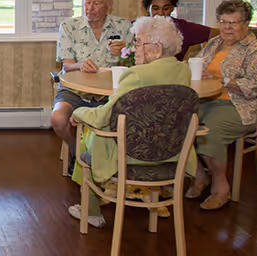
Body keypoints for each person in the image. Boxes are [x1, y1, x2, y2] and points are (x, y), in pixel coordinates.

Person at [67, 16, 198, 228]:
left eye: (137, 42)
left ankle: (91, 210)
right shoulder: (183, 70)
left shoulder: (136, 75)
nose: (133, 48)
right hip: (171, 154)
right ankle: (153, 201)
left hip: (131, 156)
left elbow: (103, 117)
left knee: (88, 133)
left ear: (156, 49)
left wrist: (78, 112)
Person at [187, 0, 257, 211]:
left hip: (244, 105)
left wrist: (222, 80)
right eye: (223, 22)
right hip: (208, 100)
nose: (227, 27)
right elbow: (197, 65)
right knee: (179, 122)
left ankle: (221, 188)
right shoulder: (214, 43)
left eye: (234, 22)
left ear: (246, 24)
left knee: (210, 130)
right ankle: (199, 175)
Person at [51, 0, 131, 169]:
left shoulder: (124, 27)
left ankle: (110, 163)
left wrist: (125, 54)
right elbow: (67, 66)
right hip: (76, 92)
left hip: (110, 95)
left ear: (109, 5)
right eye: (87, 2)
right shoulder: (69, 27)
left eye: (96, 3)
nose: (90, 8)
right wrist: (81, 65)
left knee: (131, 119)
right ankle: (77, 153)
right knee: (58, 119)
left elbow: (133, 66)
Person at [140, 0, 216, 61]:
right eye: (155, 8)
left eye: (166, 8)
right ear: (148, 8)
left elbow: (220, 33)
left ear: (172, 8)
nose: (161, 13)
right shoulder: (137, 27)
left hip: (174, 71)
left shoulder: (183, 28)